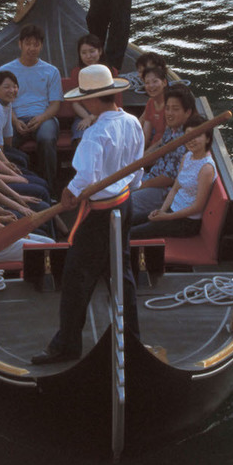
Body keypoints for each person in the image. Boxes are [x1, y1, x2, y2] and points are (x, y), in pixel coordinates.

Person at [31, 64, 144, 364]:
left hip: (99, 215)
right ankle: (132, 338)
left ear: (93, 101)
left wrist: (68, 194)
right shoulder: (132, 121)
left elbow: (85, 181)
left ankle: (67, 345)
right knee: (122, 273)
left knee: (76, 278)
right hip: (124, 204)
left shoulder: (95, 134)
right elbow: (137, 172)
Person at [130, 113, 217, 240]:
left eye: (197, 135)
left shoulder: (206, 168)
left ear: (207, 138)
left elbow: (198, 207)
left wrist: (166, 217)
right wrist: (162, 211)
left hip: (186, 222)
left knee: (130, 233)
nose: (191, 139)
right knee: (128, 220)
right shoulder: (187, 157)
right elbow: (175, 189)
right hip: (172, 210)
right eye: (189, 135)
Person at [0, 23, 63, 195]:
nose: (32, 48)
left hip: (43, 118)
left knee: (46, 138)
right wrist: (14, 120)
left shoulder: (51, 71)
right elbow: (3, 102)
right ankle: (14, 185)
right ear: (20, 44)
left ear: (41, 46)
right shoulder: (6, 70)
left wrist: (41, 118)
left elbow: (55, 104)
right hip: (15, 118)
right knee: (6, 142)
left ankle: (50, 189)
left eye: (36, 44)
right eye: (28, 43)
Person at [129, 83, 196, 226]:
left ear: (188, 112)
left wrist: (142, 185)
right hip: (151, 177)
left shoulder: (186, 139)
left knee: (124, 202)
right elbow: (159, 149)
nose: (169, 113)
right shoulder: (171, 128)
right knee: (115, 191)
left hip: (163, 192)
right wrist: (137, 163)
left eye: (175, 109)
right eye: (167, 108)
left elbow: (169, 178)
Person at [141, 63, 168, 153]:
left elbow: (166, 138)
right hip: (153, 146)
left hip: (165, 147)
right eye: (147, 83)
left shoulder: (170, 104)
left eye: (155, 81)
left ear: (164, 82)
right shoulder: (150, 102)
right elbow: (145, 135)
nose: (151, 86)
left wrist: (144, 157)